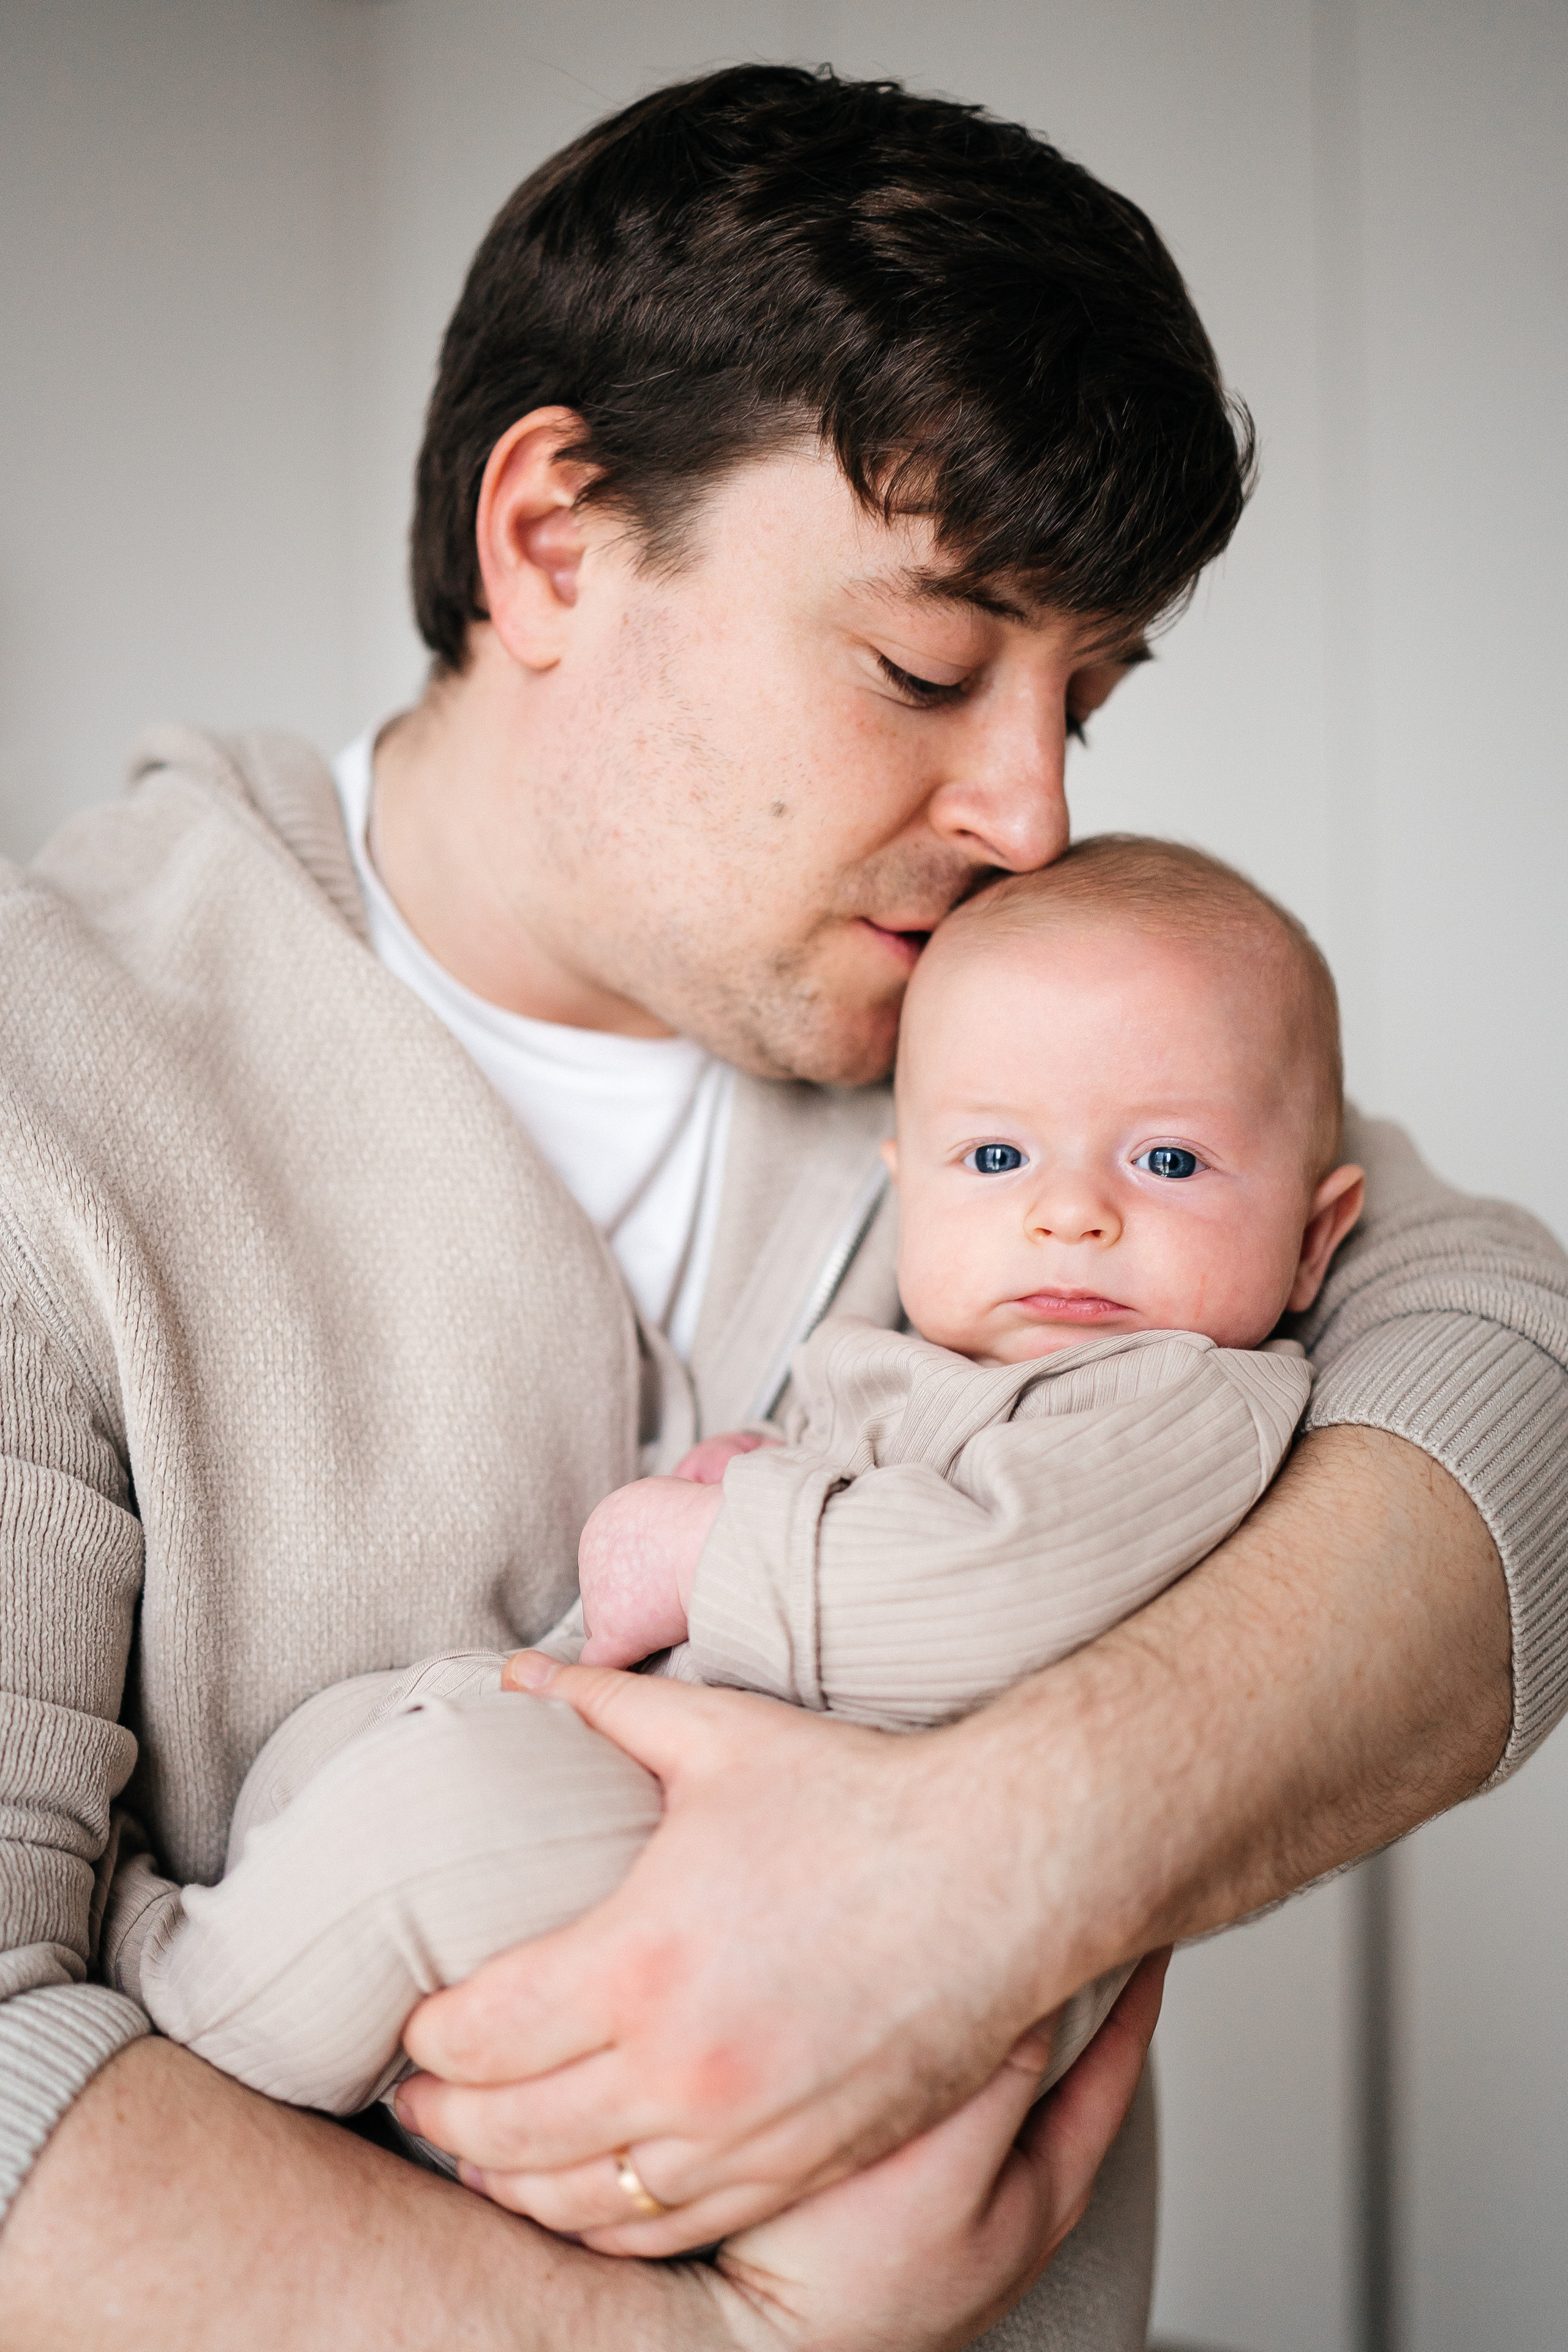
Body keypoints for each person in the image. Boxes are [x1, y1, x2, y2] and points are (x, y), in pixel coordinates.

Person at [1, 62, 1564, 2352]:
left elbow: (1511, 1394)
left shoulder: (1017, 1044)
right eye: (928, 666)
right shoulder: (54, 1085)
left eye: (1087, 701)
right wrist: (728, 2344)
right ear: (552, 539)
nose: (1031, 813)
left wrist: (977, 1874)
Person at [127, 836, 1357, 2134]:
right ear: (906, 1188)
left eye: (1164, 1163)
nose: (1068, 1215)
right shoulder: (936, 1358)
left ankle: (186, 2026)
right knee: (342, 1745)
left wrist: (716, 1546)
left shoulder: (1179, 1394)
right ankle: (307, 2017)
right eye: (995, 1161)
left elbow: (988, 1590)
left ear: (1313, 1240)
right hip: (653, 1779)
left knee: (430, 1819)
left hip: (766, 1888)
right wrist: (771, 1471)